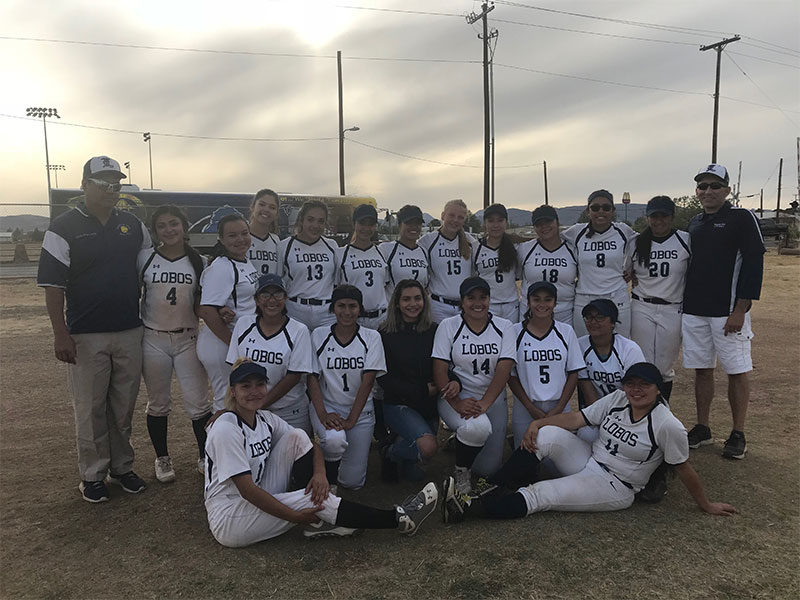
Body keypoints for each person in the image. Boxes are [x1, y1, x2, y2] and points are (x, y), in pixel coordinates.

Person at [441, 362, 737, 523]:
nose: (635, 390)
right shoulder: (619, 398)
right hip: (590, 460)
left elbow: (684, 468)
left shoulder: (667, 424)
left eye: (644, 385)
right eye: (630, 383)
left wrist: (706, 505)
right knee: (544, 436)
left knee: (539, 495)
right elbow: (576, 420)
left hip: (615, 485)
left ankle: (465, 511)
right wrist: (539, 423)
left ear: (658, 389)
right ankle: (483, 488)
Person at [203, 359, 438, 547]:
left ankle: (323, 516)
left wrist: (320, 474)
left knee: (295, 437)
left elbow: (311, 444)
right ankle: (399, 518)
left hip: (257, 491)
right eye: (246, 386)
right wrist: (294, 516)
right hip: (230, 516)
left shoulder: (264, 418)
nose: (254, 391)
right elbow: (247, 491)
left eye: (259, 384)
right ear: (232, 391)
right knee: (312, 498)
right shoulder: (226, 428)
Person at [38, 156, 151, 502]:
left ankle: (122, 466)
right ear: (85, 184)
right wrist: (61, 333)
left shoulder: (133, 225)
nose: (110, 190)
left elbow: (151, 273)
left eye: (115, 184)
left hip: (130, 329)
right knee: (90, 408)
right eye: (102, 183)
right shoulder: (63, 226)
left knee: (122, 405)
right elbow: (53, 286)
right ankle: (92, 474)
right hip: (86, 333)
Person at [682, 164, 765, 460]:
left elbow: (754, 263)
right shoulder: (694, 222)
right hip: (694, 310)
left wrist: (741, 308)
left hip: (727, 312)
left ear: (727, 190)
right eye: (702, 186)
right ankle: (703, 427)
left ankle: (738, 432)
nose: (707, 191)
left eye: (714, 186)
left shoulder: (741, 218)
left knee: (736, 370)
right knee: (702, 370)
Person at [138, 205, 211, 482]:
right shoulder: (145, 258)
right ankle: (162, 458)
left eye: (174, 224)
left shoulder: (199, 261)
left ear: (184, 226)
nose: (169, 230)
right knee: (158, 403)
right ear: (154, 231)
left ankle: (205, 455)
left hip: (188, 337)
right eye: (162, 226)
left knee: (198, 402)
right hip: (153, 338)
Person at [432, 276, 516, 493]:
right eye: (471, 298)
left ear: (490, 299)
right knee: (477, 428)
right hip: (458, 398)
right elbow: (439, 369)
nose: (477, 303)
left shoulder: (504, 326)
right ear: (462, 301)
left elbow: (504, 368)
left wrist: (486, 403)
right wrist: (457, 403)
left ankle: (461, 440)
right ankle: (461, 470)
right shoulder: (448, 326)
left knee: (488, 469)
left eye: (483, 297)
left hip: (492, 399)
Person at [308, 286, 387, 490]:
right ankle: (328, 480)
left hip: (361, 412)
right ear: (333, 308)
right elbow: (312, 379)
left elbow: (368, 381)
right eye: (341, 306)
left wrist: (353, 418)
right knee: (335, 441)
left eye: (352, 306)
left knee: (353, 483)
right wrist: (324, 414)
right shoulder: (319, 334)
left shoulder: (371, 337)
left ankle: (331, 466)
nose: (347, 311)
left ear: (360, 309)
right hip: (329, 407)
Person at [226, 274, 313, 432]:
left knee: (296, 455)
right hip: (251, 409)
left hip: (288, 411)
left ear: (285, 298)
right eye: (265, 294)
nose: (272, 300)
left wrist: (259, 403)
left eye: (277, 294)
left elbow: (294, 377)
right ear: (257, 300)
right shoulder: (244, 324)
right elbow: (236, 369)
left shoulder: (299, 330)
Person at [628, 196, 691, 401]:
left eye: (663, 216)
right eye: (654, 216)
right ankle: (641, 411)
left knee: (664, 365)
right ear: (647, 218)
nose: (659, 221)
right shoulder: (636, 242)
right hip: (642, 305)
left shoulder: (684, 239)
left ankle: (661, 410)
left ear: (672, 217)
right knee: (642, 362)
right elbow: (625, 271)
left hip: (672, 307)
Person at [508, 281, 584, 449]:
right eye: (536, 299)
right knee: (525, 458)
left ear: (555, 303)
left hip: (558, 406)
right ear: (528, 302)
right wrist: (529, 406)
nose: (542, 304)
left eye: (548, 300)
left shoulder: (566, 331)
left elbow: (573, 373)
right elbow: (510, 375)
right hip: (526, 407)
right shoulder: (514, 331)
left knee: (559, 463)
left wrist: (559, 408)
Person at [377, 279, 440, 482]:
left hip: (428, 405)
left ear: (425, 301)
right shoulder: (385, 333)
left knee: (416, 467)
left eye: (417, 298)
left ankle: (400, 457)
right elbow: (384, 379)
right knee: (428, 447)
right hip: (398, 404)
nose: (413, 304)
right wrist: (420, 390)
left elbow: (445, 364)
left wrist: (452, 381)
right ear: (396, 303)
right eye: (406, 299)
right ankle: (389, 451)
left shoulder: (434, 330)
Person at [196, 213, 259, 411]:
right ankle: (218, 441)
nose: (240, 239)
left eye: (244, 233)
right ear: (221, 240)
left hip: (235, 338)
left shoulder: (244, 261)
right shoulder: (222, 267)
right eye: (232, 236)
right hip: (220, 342)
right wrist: (234, 343)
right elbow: (206, 310)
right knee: (225, 400)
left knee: (238, 398)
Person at [562, 190, 637, 338]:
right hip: (585, 297)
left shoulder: (623, 230)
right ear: (588, 211)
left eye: (606, 207)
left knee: (620, 344)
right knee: (584, 345)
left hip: (616, 296)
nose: (600, 211)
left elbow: (645, 244)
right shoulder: (577, 232)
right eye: (595, 208)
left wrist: (634, 269)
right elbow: (550, 240)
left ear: (613, 210)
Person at [576, 299, 645, 443]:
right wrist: (602, 420)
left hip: (628, 411)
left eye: (600, 317)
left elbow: (638, 390)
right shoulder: (580, 346)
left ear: (613, 322)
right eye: (589, 317)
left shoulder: (629, 349)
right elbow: (587, 390)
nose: (593, 322)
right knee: (586, 436)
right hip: (596, 411)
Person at [278, 200, 338, 330]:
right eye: (310, 219)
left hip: (326, 312)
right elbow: (279, 280)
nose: (315, 225)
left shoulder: (332, 246)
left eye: (321, 221)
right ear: (301, 220)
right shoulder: (284, 246)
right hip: (295, 309)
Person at [517, 205, 577, 325]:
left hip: (564, 314)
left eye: (548, 221)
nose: (544, 226)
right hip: (531, 313)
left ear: (557, 222)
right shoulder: (525, 249)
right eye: (539, 224)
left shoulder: (573, 249)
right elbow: (517, 274)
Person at [419, 199, 476, 322]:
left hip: (464, 305)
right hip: (438, 306)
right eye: (451, 215)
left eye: (460, 217)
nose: (455, 220)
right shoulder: (427, 241)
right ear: (443, 215)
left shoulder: (470, 242)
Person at [336, 204, 389, 329]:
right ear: (354, 224)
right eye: (362, 223)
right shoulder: (340, 254)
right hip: (354, 319)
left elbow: (385, 285)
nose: (366, 228)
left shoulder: (382, 252)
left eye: (370, 224)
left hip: (381, 318)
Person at [473, 203, 519, 321]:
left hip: (511, 304)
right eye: (491, 221)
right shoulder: (475, 248)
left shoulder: (516, 246)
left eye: (500, 220)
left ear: (506, 223)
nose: (495, 225)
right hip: (488, 305)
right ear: (485, 223)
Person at [379, 204, 429, 298]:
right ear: (399, 225)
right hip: (394, 310)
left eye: (417, 223)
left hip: (417, 309)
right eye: (409, 223)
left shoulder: (423, 252)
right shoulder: (386, 249)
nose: (414, 227)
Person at [247, 188, 281, 276]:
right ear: (252, 207)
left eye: (272, 207)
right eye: (262, 204)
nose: (266, 210)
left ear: (276, 214)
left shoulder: (276, 241)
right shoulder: (240, 238)